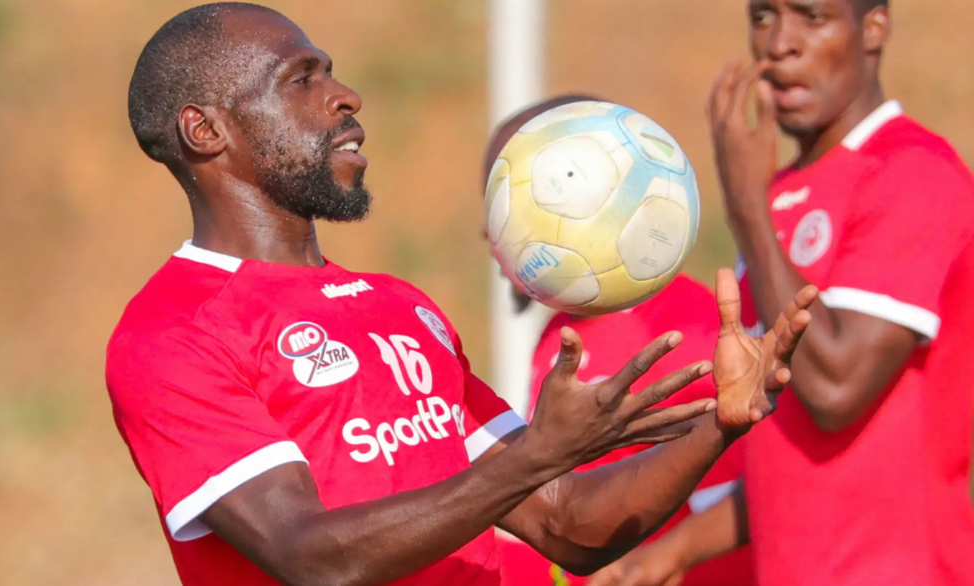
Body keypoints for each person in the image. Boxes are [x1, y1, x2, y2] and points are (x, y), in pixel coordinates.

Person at [106, 4, 817, 586]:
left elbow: (567, 522)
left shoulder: (399, 308)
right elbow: (311, 557)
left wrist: (718, 424)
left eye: (332, 72)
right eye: (301, 79)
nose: (345, 96)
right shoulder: (171, 335)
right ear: (206, 130)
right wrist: (532, 459)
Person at [590, 1, 974, 585]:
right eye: (763, 16)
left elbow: (835, 388)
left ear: (873, 27)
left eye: (811, 17)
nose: (779, 44)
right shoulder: (782, 195)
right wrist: (672, 551)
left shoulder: (913, 171)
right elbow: (789, 450)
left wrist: (746, 207)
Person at [482, 97, 754, 586]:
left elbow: (735, 506)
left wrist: (667, 559)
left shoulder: (686, 331)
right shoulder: (563, 330)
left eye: (513, 198)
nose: (490, 228)